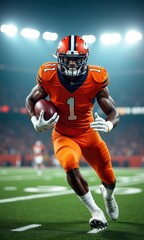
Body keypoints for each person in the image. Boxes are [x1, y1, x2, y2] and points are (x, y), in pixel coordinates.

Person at [25, 35, 120, 233]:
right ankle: (96, 212)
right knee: (70, 165)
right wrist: (35, 121)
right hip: (63, 134)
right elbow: (30, 100)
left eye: (76, 59)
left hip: (89, 131)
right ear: (58, 57)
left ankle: (108, 196)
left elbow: (113, 112)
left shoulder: (97, 77)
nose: (71, 63)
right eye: (66, 58)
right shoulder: (48, 74)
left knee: (109, 178)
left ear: (85, 59)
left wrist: (109, 125)